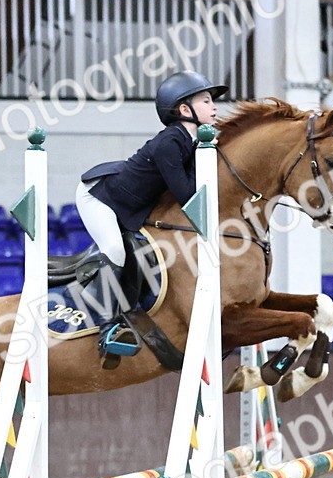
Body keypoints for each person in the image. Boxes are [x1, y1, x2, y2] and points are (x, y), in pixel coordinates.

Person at [75, 70, 226, 363]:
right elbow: (187, 195)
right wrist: (205, 155)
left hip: (130, 204)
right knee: (115, 250)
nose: (214, 107)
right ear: (185, 110)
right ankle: (106, 329)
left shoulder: (189, 140)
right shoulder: (172, 142)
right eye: (206, 101)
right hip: (99, 198)